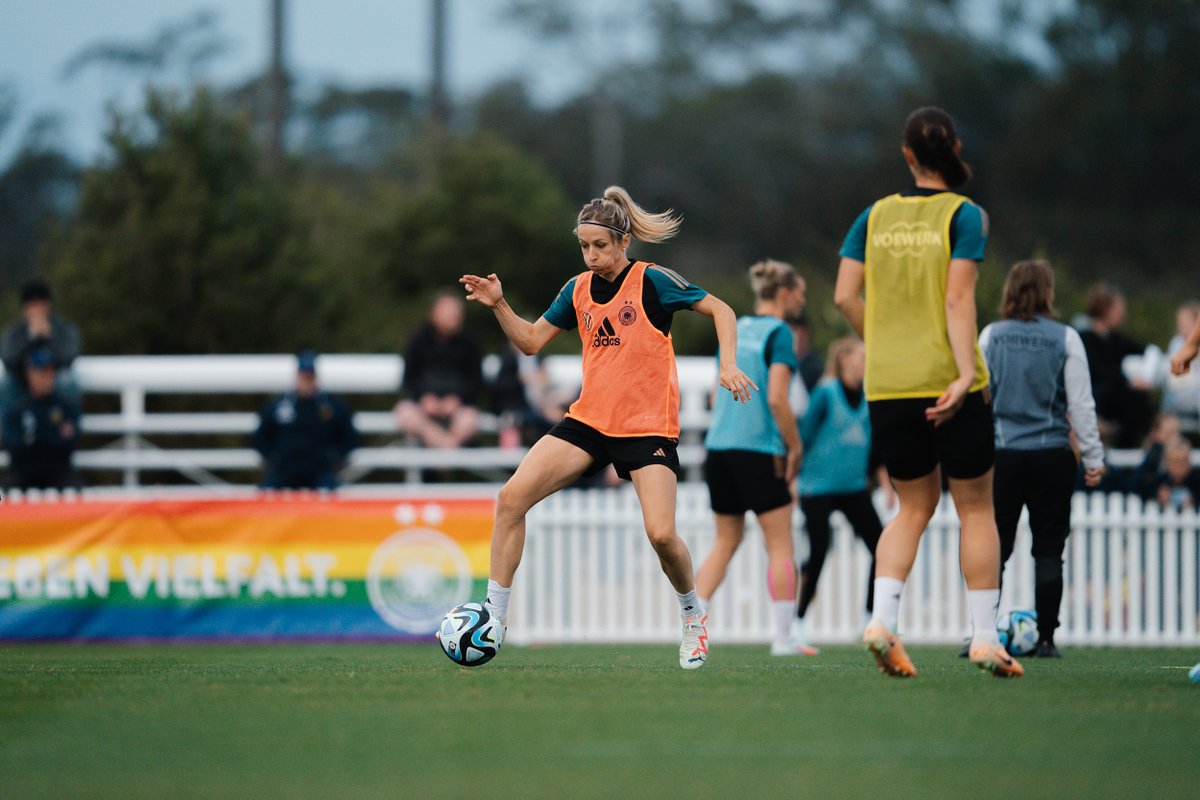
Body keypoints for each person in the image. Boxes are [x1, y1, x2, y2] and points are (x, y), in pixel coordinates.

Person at [459, 185, 756, 669]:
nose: (592, 255)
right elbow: (531, 342)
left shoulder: (652, 281)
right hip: (590, 422)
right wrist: (498, 304)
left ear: (623, 243)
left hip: (647, 428)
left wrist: (727, 365)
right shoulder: (576, 289)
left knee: (661, 535)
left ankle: (692, 617)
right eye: (584, 246)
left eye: (600, 245)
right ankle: (493, 618)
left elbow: (720, 309)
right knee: (511, 499)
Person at [833, 106, 1022, 678]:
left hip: (889, 384)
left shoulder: (873, 216)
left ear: (907, 155)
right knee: (976, 509)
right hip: (949, 380)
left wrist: (886, 343)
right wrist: (964, 375)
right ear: (955, 149)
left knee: (911, 506)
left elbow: (844, 296)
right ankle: (986, 638)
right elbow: (958, 300)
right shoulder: (965, 215)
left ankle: (882, 621)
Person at [979, 259, 1106, 659]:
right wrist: (1092, 456)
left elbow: (979, 397)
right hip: (1051, 453)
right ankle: (1047, 638)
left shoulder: (991, 336)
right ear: (1048, 292)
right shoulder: (1065, 338)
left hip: (1002, 455)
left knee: (993, 545)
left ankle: (983, 634)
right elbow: (1081, 405)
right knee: (1049, 548)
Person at [693, 259, 807, 656]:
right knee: (780, 547)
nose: (803, 301)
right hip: (760, 451)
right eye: (802, 294)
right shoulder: (780, 333)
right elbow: (777, 398)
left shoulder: (733, 326)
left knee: (724, 544)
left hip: (719, 450)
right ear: (786, 293)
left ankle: (694, 629)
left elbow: (713, 394)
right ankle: (784, 638)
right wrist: (795, 446)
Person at [793, 337, 885, 651]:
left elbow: (874, 447)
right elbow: (802, 437)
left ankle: (870, 620)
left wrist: (883, 481)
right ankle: (798, 622)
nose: (863, 363)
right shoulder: (825, 393)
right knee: (819, 552)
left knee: (882, 547)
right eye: (859, 357)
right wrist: (792, 479)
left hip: (854, 487)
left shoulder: (869, 395)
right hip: (817, 488)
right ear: (844, 360)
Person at [253, 351, 358, 490]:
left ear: (316, 378)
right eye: (304, 377)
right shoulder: (280, 405)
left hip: (320, 469)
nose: (307, 382)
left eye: (311, 377)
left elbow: (349, 436)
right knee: (267, 495)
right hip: (285, 468)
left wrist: (335, 458)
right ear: (297, 377)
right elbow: (260, 436)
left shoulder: (331, 405)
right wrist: (275, 458)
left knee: (330, 495)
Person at [394, 291, 484, 449]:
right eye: (449, 312)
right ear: (433, 313)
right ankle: (447, 448)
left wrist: (458, 399)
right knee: (406, 414)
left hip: (458, 409)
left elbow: (476, 381)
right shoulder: (417, 341)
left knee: (469, 420)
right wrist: (423, 398)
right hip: (423, 408)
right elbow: (408, 379)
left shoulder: (470, 342)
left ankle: (440, 456)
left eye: (457, 313)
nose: (455, 316)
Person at [1077, 282, 1153, 449]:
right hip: (1095, 399)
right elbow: (1096, 370)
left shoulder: (1116, 339)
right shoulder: (1084, 338)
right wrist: (1128, 380)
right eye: (1119, 308)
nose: (1123, 313)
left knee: (1139, 399)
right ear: (1105, 309)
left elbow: (1144, 350)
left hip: (1117, 399)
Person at [2, 344, 81, 491]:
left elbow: (70, 442)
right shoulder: (18, 408)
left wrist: (35, 438)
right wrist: (51, 436)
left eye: (50, 371)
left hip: (58, 472)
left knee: (75, 492)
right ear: (29, 373)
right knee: (7, 492)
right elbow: (13, 445)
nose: (47, 377)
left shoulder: (64, 405)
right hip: (23, 472)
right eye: (41, 371)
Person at [1, 278, 82, 413]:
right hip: (24, 379)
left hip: (53, 377)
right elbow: (8, 359)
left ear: (48, 305)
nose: (37, 310)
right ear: (25, 309)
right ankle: (11, 432)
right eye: (33, 305)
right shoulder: (15, 332)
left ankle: (67, 430)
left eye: (41, 304)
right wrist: (31, 337)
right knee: (7, 384)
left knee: (67, 382)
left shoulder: (63, 328)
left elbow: (69, 356)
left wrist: (50, 336)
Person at [1162, 302, 1200, 432]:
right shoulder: (1177, 342)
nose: (1181, 324)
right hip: (1179, 395)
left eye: (1186, 320)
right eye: (1180, 320)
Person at [1130, 413, 1183, 500]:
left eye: (1177, 432)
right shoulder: (1152, 459)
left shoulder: (1185, 457)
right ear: (1156, 433)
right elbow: (1138, 486)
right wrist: (1156, 492)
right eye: (1169, 433)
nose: (1175, 438)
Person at [1152, 437, 1200, 510]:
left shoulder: (1196, 482)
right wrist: (1157, 496)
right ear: (1166, 463)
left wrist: (1195, 501)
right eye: (1176, 462)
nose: (1180, 467)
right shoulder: (1157, 482)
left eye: (1184, 461)